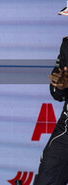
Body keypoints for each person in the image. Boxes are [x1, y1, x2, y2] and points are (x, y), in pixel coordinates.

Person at [34, 37, 68, 185]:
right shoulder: (67, 44)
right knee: (46, 179)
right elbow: (55, 92)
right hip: (66, 130)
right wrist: (60, 86)